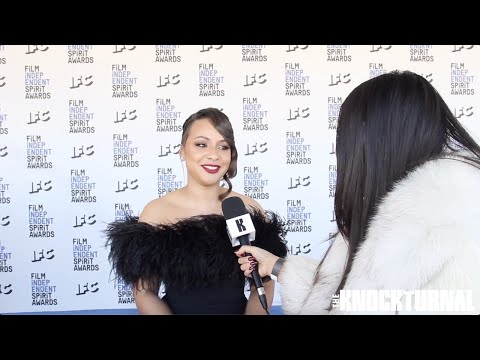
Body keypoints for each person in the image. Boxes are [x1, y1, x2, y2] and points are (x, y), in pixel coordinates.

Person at [236, 70, 480, 315]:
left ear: (374, 142)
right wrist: (278, 267)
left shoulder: (449, 231)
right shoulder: (398, 219)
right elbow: (347, 299)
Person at [105, 107, 288, 315]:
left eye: (223, 146)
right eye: (201, 144)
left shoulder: (248, 209)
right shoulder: (156, 212)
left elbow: (263, 286)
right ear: (182, 150)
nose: (213, 155)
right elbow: (144, 292)